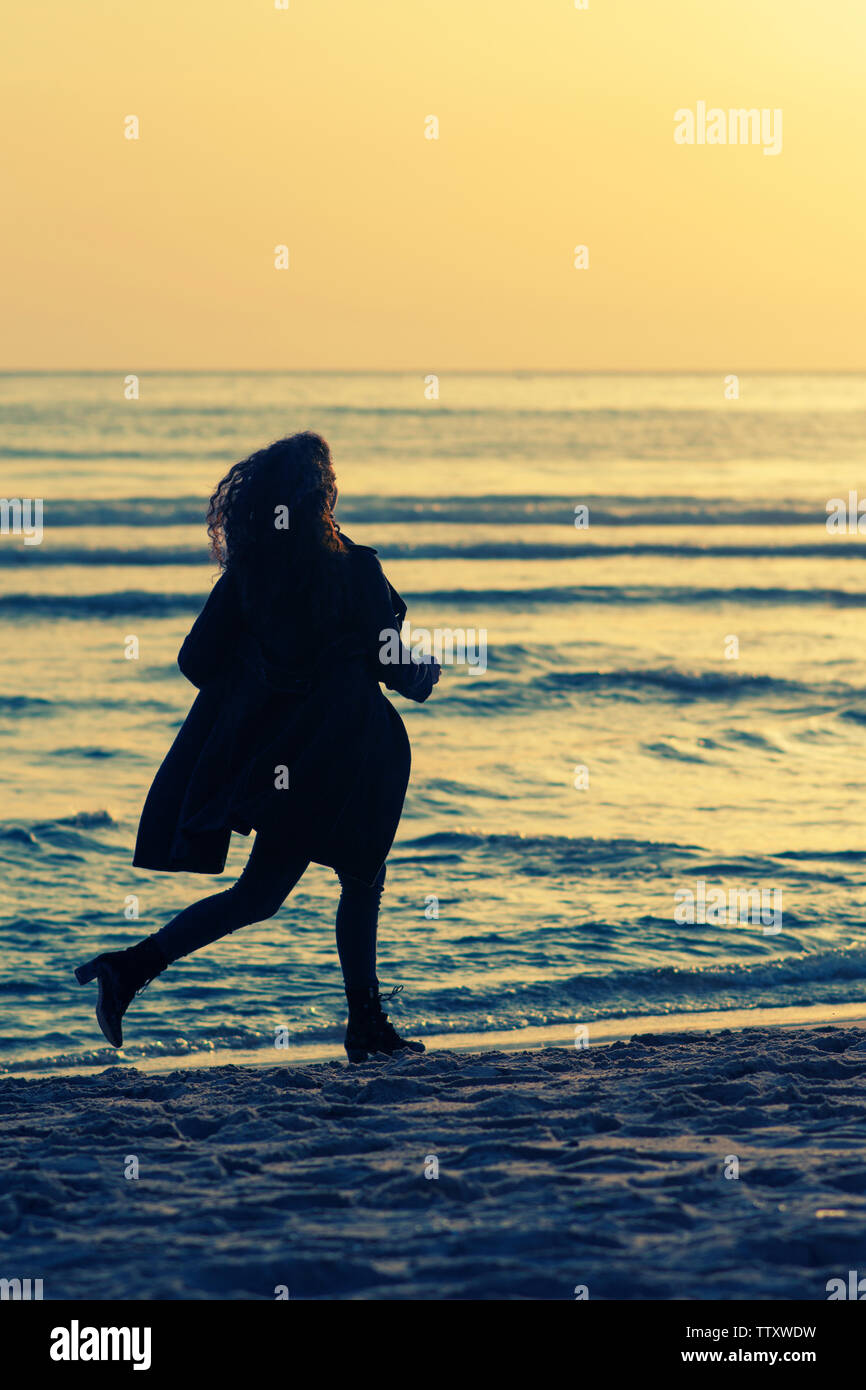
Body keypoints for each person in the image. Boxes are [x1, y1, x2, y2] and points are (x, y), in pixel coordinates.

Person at [75, 431, 440, 1062]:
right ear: (323, 494)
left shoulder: (250, 578)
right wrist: (425, 672)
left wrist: (267, 679)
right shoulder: (356, 569)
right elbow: (398, 671)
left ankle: (364, 1026)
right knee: (332, 884)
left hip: (289, 763)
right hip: (349, 758)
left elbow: (195, 662)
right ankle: (132, 969)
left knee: (297, 889)